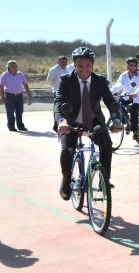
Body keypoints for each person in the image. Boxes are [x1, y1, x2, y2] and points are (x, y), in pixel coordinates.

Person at [53, 47, 122, 200]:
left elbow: (110, 101)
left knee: (106, 145)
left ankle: (104, 180)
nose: (84, 70)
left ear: (93, 65)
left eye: (88, 66)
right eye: (80, 66)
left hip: (93, 121)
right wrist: (61, 120)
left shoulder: (100, 81)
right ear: (74, 66)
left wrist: (116, 119)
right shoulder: (65, 80)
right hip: (70, 122)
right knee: (68, 150)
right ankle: (65, 180)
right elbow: (58, 102)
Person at [111, 57, 139, 141]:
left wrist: (136, 93)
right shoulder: (124, 75)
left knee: (134, 111)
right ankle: (125, 120)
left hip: (137, 97)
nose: (133, 67)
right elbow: (118, 84)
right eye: (131, 65)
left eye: (135, 65)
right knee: (118, 106)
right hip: (126, 95)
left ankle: (135, 132)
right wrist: (110, 91)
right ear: (127, 66)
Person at [0, 60, 32, 132]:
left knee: (19, 111)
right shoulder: (4, 75)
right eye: (12, 66)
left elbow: (25, 84)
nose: (14, 67)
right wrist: (2, 96)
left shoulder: (20, 74)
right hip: (9, 96)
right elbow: (1, 86)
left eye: (15, 66)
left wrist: (29, 94)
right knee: (10, 112)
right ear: (8, 67)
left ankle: (20, 126)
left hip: (19, 95)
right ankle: (11, 126)